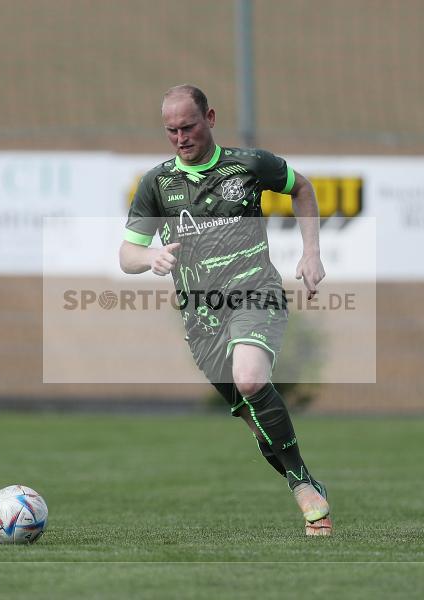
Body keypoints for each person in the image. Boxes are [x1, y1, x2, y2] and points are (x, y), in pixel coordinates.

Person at [118, 84, 331, 536]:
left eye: (188, 126)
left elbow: (302, 188)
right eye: (171, 130)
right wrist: (149, 257)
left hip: (256, 293)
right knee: (257, 422)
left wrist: (311, 252)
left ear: (210, 118)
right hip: (201, 320)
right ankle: (304, 479)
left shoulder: (248, 165)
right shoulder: (156, 184)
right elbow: (127, 254)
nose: (180, 138)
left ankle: (301, 487)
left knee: (250, 378)